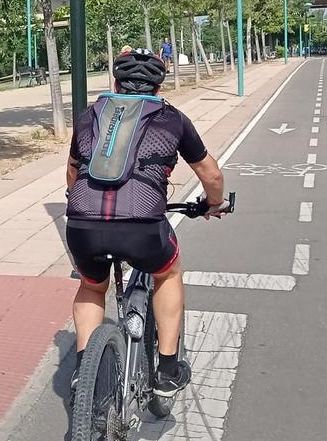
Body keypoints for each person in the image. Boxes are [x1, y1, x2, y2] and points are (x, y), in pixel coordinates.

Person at [65, 49, 227, 397]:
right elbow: (211, 174)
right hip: (142, 228)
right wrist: (214, 204)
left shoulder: (88, 116)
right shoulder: (172, 119)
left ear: (115, 83)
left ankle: (83, 369)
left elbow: (73, 172)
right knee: (167, 272)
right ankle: (167, 370)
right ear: (158, 87)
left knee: (93, 286)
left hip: (82, 225)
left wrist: (80, 207)